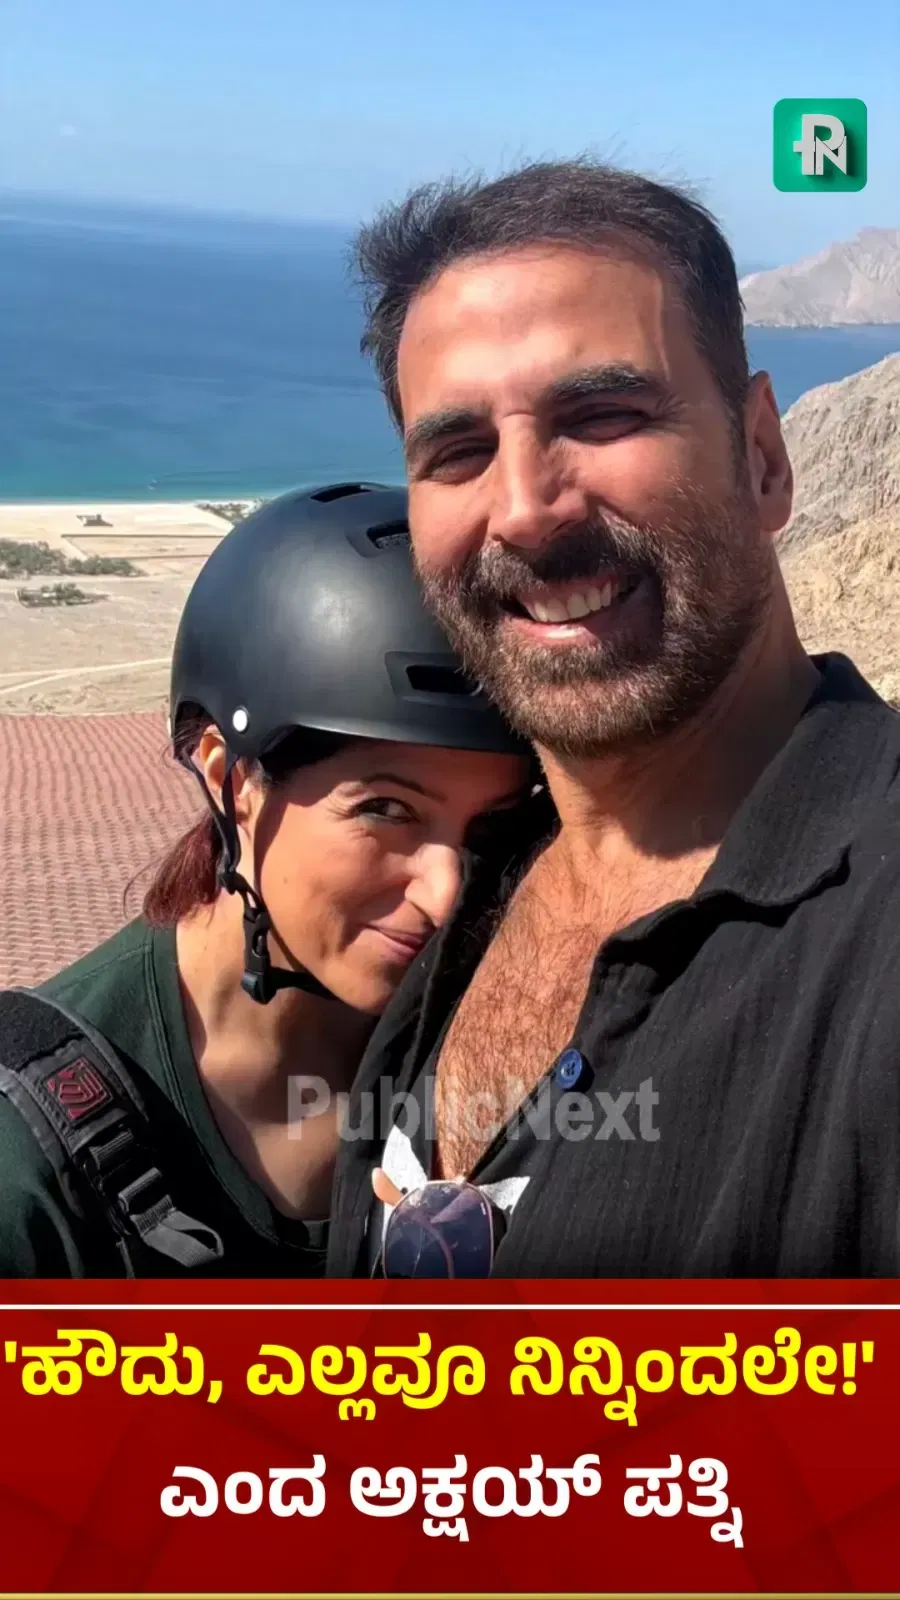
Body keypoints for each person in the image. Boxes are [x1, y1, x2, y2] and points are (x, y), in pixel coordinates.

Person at [326, 159, 900, 1279]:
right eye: (458, 451)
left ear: (763, 458)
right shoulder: (474, 880)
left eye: (602, 414)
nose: (525, 508)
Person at [0, 484, 531, 1277]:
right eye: (386, 809)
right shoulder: (26, 1161)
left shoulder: (501, 1036)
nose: (446, 895)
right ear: (231, 781)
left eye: (489, 829)